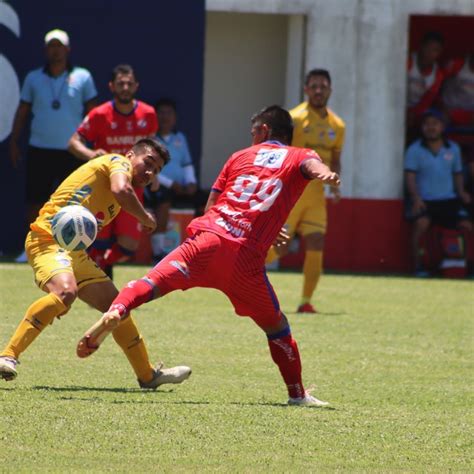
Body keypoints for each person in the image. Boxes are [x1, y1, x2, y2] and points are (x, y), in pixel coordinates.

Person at [77, 106, 340, 407]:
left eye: (254, 131)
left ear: (265, 130)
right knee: (277, 326)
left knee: (150, 283)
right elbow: (310, 166)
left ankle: (118, 309)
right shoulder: (299, 154)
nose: (252, 137)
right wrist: (326, 175)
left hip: (206, 243)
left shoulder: (239, 156)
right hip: (245, 259)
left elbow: (212, 206)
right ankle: (297, 394)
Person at [0, 138, 191, 389]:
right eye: (148, 162)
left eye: (156, 170)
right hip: (47, 239)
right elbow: (123, 191)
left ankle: (148, 375)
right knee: (66, 292)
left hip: (75, 253)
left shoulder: (119, 184)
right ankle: (8, 355)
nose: (150, 172)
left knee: (118, 308)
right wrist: (145, 217)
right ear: (131, 154)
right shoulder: (117, 162)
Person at [8, 29, 98, 262]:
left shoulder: (83, 77)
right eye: (52, 46)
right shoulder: (33, 78)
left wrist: (94, 145)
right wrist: (15, 141)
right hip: (40, 148)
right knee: (36, 201)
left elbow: (93, 113)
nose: (55, 50)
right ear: (46, 50)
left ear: (67, 50)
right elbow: (23, 111)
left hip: (73, 151)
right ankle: (31, 249)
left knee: (76, 202)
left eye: (60, 46)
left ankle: (75, 248)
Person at [266, 69, 345, 314]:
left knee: (316, 241)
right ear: (306, 90)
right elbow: (279, 151)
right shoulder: (295, 118)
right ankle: (242, 270)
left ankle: (305, 301)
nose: (319, 91)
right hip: (291, 193)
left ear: (330, 90)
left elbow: (335, 158)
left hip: (316, 196)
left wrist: (336, 185)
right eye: (314, 86)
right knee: (281, 247)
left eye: (323, 86)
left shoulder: (337, 125)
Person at [68, 64, 158, 278]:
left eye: (129, 83)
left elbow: (152, 150)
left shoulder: (148, 113)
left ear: (136, 86)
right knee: (95, 240)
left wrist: (155, 175)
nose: (125, 87)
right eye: (120, 84)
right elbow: (73, 142)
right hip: (102, 186)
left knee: (130, 244)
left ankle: (102, 263)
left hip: (132, 186)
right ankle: (93, 279)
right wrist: (90, 154)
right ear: (111, 86)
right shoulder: (99, 114)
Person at [404, 109, 472, 276]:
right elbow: (410, 177)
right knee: (421, 225)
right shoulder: (414, 150)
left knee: (467, 226)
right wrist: (416, 198)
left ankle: (468, 267)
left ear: (442, 127)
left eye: (435, 124)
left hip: (449, 200)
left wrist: (461, 192)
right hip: (426, 200)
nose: (431, 128)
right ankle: (418, 267)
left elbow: (457, 174)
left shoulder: (453, 149)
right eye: (427, 124)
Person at [144, 98, 207, 261]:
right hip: (158, 186)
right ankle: (158, 252)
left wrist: (191, 183)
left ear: (175, 117)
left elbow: (186, 165)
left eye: (169, 113)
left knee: (207, 200)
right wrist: (172, 184)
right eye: (161, 113)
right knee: (163, 200)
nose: (165, 117)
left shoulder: (180, 138)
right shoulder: (150, 139)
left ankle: (202, 248)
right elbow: (148, 168)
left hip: (182, 187)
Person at [406, 31, 445, 140]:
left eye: (435, 50)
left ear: (439, 53)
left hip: (416, 112)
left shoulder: (437, 75)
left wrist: (413, 114)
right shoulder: (407, 61)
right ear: (421, 46)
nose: (430, 53)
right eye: (428, 48)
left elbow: (426, 101)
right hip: (396, 106)